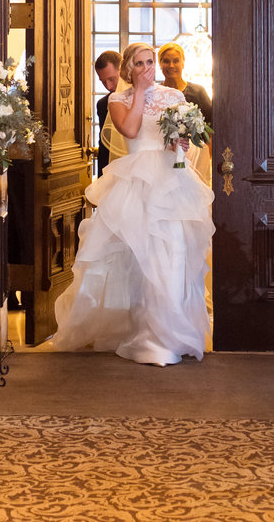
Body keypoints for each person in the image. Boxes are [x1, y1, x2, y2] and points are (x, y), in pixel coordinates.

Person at [53, 41, 214, 366]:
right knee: (141, 260)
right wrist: (139, 91)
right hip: (136, 185)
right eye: (139, 64)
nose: (146, 69)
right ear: (129, 68)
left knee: (173, 254)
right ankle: (144, 333)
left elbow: (183, 141)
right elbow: (129, 129)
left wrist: (180, 144)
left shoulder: (174, 97)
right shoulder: (117, 99)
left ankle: (171, 332)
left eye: (149, 62)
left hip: (171, 185)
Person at [158, 41, 212, 184]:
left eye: (176, 61)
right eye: (166, 61)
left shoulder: (198, 91)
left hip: (196, 156)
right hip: (164, 156)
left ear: (183, 63)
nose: (171, 66)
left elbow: (211, 127)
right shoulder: (156, 94)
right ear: (160, 64)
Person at [94, 50, 122, 176]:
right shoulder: (102, 104)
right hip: (113, 173)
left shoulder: (144, 97)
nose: (109, 86)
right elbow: (104, 147)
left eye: (111, 79)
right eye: (103, 82)